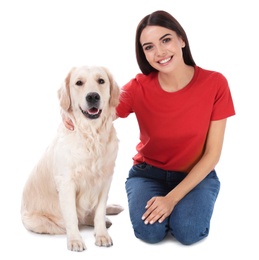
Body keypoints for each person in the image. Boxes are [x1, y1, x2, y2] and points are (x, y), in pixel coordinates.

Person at [63, 10, 235, 245]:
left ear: (181, 40)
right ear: (143, 53)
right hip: (148, 175)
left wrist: (172, 199)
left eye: (166, 40)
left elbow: (213, 154)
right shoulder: (138, 87)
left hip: (197, 174)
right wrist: (68, 113)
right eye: (149, 47)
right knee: (150, 233)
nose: (160, 52)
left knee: (188, 232)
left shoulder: (215, 83)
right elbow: (100, 109)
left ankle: (185, 208)